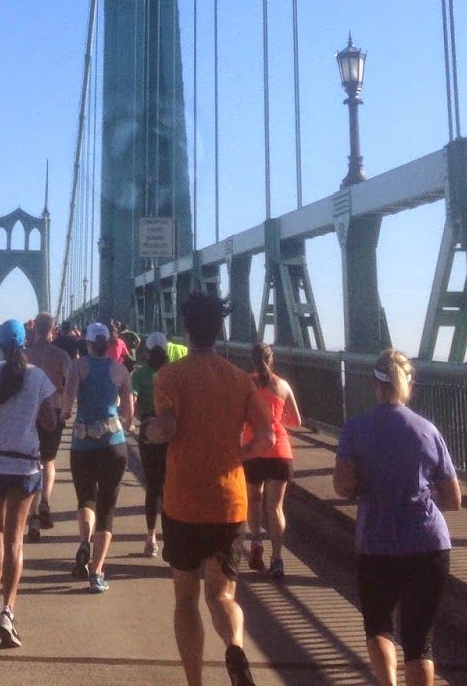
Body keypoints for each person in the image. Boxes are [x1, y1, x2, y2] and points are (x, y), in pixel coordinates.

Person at [146, 291, 273, 686]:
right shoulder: (239, 379)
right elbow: (268, 437)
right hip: (229, 504)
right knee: (222, 596)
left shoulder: (170, 375)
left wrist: (148, 431)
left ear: (185, 329)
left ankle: (196, 683)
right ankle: (235, 648)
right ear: (220, 330)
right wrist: (238, 453)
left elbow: (166, 428)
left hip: (184, 502)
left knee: (186, 598)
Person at [333, 349, 462, 686]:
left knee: (378, 626)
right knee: (420, 642)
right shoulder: (427, 430)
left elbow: (343, 487)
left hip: (377, 543)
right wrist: (422, 494)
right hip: (429, 544)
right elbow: (453, 499)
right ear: (410, 383)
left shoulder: (355, 429)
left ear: (375, 385)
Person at [0, 317, 59, 648]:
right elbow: (49, 421)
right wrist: (33, 412)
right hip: (24, 466)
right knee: (16, 539)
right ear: (25, 341)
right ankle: (8, 611)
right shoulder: (37, 377)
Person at [62, 320, 134, 592]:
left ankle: (84, 542)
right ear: (109, 343)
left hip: (82, 443)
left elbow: (68, 399)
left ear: (88, 343)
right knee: (108, 507)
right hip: (113, 444)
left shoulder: (77, 367)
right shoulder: (120, 370)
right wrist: (129, 426)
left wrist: (64, 413)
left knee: (86, 498)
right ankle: (97, 572)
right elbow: (128, 411)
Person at [244, 342, 301, 578]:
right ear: (272, 359)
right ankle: (277, 559)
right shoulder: (283, 385)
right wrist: (277, 418)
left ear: (252, 361)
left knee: (253, 499)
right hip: (279, 450)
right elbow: (296, 421)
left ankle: (256, 540)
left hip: (253, 448)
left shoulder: (246, 384)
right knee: (275, 507)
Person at [25, 310, 72, 534]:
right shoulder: (61, 355)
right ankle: (45, 501)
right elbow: (72, 385)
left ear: (35, 328)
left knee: (32, 461)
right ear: (53, 329)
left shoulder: (25, 355)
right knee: (49, 460)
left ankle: (33, 515)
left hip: (30, 413)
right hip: (54, 410)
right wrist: (66, 406)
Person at [131, 330, 171, 555]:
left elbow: (132, 401)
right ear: (166, 350)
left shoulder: (139, 375)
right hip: (169, 435)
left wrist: (136, 419)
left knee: (153, 487)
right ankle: (169, 541)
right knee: (169, 488)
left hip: (148, 433)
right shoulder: (173, 373)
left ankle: (150, 538)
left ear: (147, 350)